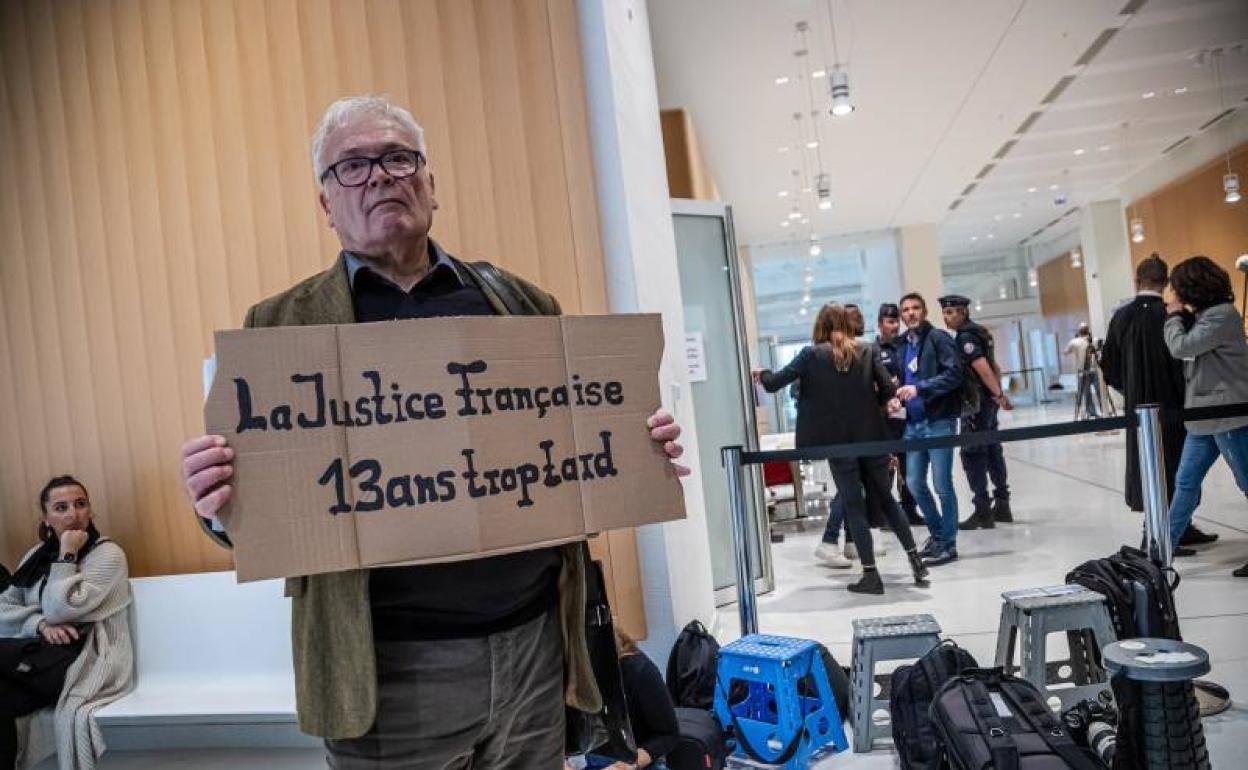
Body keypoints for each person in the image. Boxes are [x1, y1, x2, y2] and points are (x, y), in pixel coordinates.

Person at [177, 95, 689, 769]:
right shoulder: (277, 330)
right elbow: (256, 513)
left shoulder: (524, 305)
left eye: (398, 157)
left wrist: (635, 447)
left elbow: (574, 454)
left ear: (431, 184)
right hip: (387, 677)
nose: (382, 176)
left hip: (536, 653)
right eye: (353, 166)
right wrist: (218, 505)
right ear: (325, 203)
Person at [755, 304, 930, 594]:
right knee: (887, 500)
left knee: (853, 505)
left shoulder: (811, 355)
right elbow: (888, 390)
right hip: (872, 438)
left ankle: (871, 575)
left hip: (837, 443)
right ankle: (916, 560)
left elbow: (774, 384)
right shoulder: (866, 350)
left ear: (819, 325)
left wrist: (762, 373)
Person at [0, 476, 133, 770]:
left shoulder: (108, 554)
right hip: (38, 655)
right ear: (46, 518)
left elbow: (61, 610)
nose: (73, 514)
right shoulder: (34, 556)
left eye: (80, 504)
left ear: (90, 511)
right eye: (61, 507)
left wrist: (67, 554)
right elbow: (3, 607)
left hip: (83, 659)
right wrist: (39, 624)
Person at [1100, 255, 1220, 548]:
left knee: (1148, 465)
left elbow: (1109, 365)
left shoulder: (1120, 317)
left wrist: (1129, 390)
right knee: (1179, 464)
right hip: (1175, 405)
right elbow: (1190, 362)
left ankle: (1170, 527)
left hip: (1137, 409)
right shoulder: (1173, 316)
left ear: (1136, 280)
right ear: (1166, 283)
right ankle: (1171, 529)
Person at [1162, 256, 1248, 568]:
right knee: (1185, 482)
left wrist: (1172, 316)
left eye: (1177, 287)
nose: (1173, 292)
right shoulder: (1209, 315)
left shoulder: (1221, 316)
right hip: (1204, 416)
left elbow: (1182, 347)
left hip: (1227, 415)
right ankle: (1161, 553)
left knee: (1246, 481)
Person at [895, 293, 965, 567]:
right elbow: (904, 378)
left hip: (938, 422)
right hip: (912, 424)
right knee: (913, 483)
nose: (910, 313)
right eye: (906, 310)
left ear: (924, 311)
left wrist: (920, 388)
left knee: (942, 485)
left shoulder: (938, 338)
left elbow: (954, 374)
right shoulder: (904, 345)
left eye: (915, 308)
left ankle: (948, 543)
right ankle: (938, 535)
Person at [938, 295, 1014, 531]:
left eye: (951, 312)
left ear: (962, 312)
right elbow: (995, 367)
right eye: (945, 312)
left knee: (972, 454)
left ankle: (982, 511)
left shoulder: (965, 337)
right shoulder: (981, 331)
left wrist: (998, 395)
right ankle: (1002, 504)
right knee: (993, 449)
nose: (946, 317)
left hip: (975, 403)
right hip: (987, 400)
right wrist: (997, 394)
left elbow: (983, 368)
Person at [577, 629, 678, 770]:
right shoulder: (564, 677)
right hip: (586, 759)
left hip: (636, 758)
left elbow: (668, 734)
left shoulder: (638, 671)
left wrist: (627, 766)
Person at [873, 303, 923, 526]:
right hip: (884, 418)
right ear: (880, 323)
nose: (894, 326)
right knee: (886, 467)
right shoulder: (872, 350)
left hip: (907, 416)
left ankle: (910, 509)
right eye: (889, 322)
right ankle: (886, 513)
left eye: (896, 322)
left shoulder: (905, 346)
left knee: (908, 465)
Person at [1065, 324, 1102, 418]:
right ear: (1088, 330)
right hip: (1093, 370)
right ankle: (1103, 410)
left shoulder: (1075, 342)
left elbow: (1065, 352)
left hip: (1083, 372)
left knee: (1087, 393)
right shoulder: (1095, 340)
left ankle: (1091, 412)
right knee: (1099, 392)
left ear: (1079, 331)